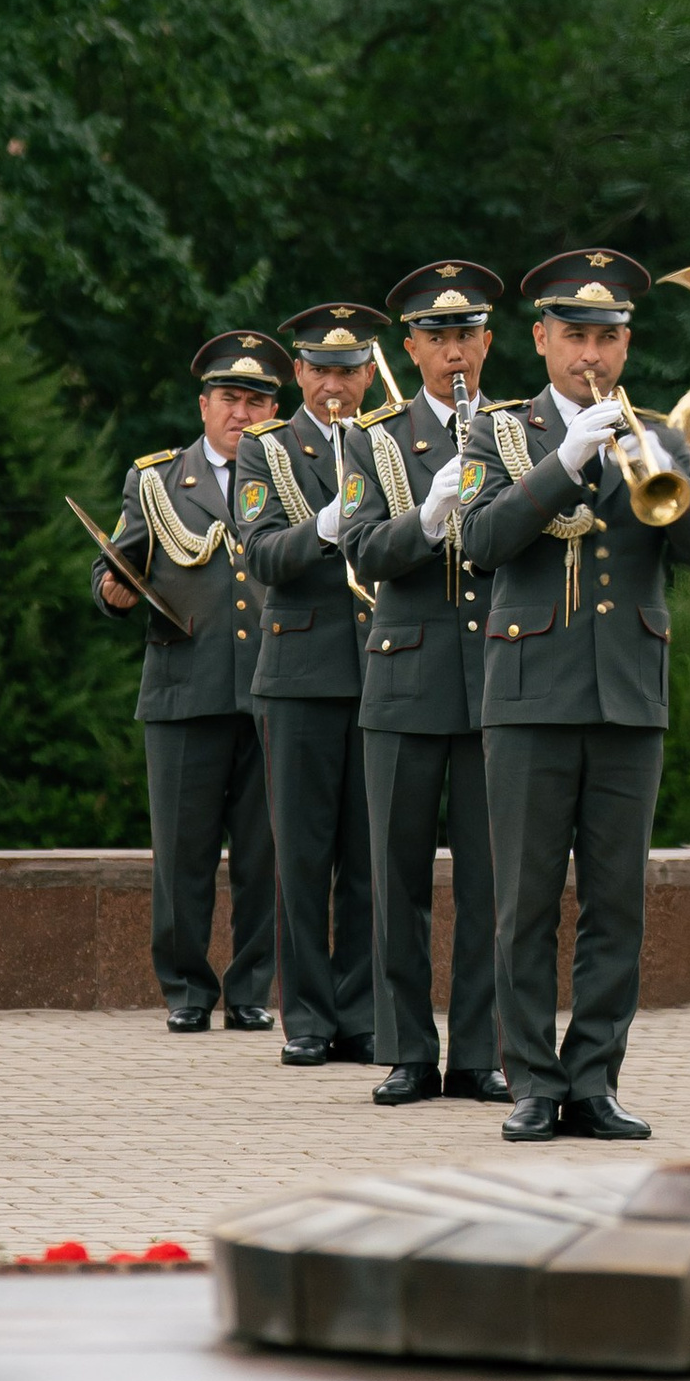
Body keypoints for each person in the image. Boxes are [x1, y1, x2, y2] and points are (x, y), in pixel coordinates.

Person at [456, 248, 690, 1140]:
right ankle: (533, 1078)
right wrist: (563, 462)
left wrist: (664, 470)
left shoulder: (662, 435)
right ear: (539, 339)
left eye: (608, 338)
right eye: (575, 335)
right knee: (526, 899)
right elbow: (483, 543)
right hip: (530, 695)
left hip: (625, 698)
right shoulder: (494, 434)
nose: (593, 355)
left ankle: (596, 1078)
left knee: (618, 904)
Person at [338, 261, 509, 1105]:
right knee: (395, 873)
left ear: (488, 342)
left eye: (466, 337)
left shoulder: (512, 431)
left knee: (487, 878)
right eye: (437, 339)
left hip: (496, 680)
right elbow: (362, 550)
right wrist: (428, 516)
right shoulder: (377, 439)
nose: (454, 354)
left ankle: (477, 1050)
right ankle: (407, 1046)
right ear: (410, 347)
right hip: (404, 679)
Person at [93, 330, 285, 1037]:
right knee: (184, 851)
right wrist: (109, 592)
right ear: (204, 404)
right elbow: (117, 563)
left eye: (257, 400)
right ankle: (184, 988)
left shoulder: (292, 476)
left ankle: (253, 989)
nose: (242, 412)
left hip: (271, 689)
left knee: (265, 855)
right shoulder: (158, 480)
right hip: (184, 683)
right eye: (230, 398)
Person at [242, 304, 385, 1064]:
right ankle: (306, 1016)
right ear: (298, 373)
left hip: (383, 668)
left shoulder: (389, 440)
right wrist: (328, 524)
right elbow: (260, 555)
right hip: (298, 675)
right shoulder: (268, 448)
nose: (336, 384)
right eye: (322, 371)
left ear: (368, 372)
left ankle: (361, 1015)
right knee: (300, 856)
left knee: (368, 860)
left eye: (349, 370)